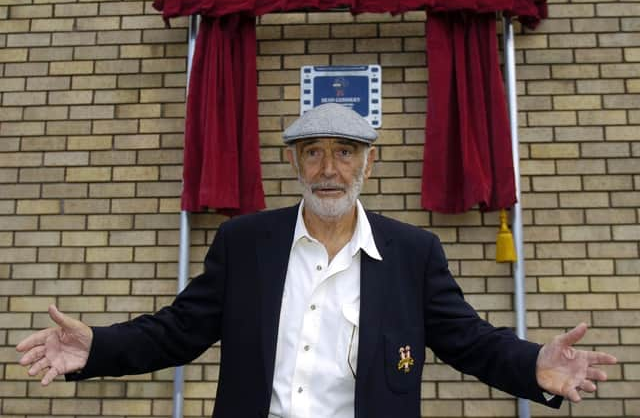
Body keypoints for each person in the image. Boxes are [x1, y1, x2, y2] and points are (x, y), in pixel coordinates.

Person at [17, 103, 616, 418]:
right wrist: (95, 347)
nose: (329, 169)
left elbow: (469, 341)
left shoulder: (412, 252)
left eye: (345, 153)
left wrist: (534, 362)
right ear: (296, 164)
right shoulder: (245, 243)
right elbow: (175, 333)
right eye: (313, 153)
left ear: (368, 164)